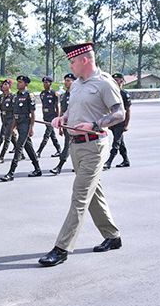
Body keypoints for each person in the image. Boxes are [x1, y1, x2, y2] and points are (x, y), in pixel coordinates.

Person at [38, 42, 124, 267]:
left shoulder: (104, 83)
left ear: (84, 60)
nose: (70, 65)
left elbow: (119, 113)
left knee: (79, 196)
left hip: (94, 147)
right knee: (93, 193)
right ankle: (112, 236)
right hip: (75, 145)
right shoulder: (76, 85)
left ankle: (61, 248)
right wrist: (62, 119)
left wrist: (95, 124)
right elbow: (72, 109)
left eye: (73, 61)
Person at [0, 75, 42, 182]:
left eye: (20, 82)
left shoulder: (29, 95)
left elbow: (33, 113)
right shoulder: (16, 96)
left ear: (26, 84)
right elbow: (15, 113)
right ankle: (37, 168)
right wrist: (13, 127)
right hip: (18, 122)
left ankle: (11, 172)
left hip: (25, 123)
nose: (18, 84)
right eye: (18, 82)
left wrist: (31, 128)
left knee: (19, 147)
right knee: (28, 146)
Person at [103, 73, 132, 169]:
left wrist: (126, 124)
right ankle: (126, 160)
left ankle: (109, 161)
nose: (115, 81)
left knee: (116, 142)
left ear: (122, 81)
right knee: (120, 142)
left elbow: (128, 110)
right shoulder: (111, 93)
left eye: (117, 79)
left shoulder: (124, 94)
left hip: (121, 122)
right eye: (114, 79)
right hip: (113, 122)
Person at [51, 73, 75, 175]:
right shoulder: (64, 95)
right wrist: (60, 125)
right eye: (65, 80)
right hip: (65, 124)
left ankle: (59, 166)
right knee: (72, 145)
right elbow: (62, 110)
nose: (66, 82)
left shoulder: (76, 94)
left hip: (74, 124)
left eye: (68, 80)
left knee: (68, 145)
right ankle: (78, 165)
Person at [0, 79, 19, 164]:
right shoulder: (1, 96)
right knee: (12, 138)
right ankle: (20, 153)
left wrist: (15, 126)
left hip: (11, 118)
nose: (2, 86)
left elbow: (16, 111)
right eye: (2, 84)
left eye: (5, 84)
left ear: (9, 86)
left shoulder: (13, 96)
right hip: (4, 119)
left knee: (7, 138)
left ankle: (1, 157)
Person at [37, 76, 62, 158]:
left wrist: (58, 118)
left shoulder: (54, 94)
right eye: (44, 82)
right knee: (52, 135)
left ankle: (39, 151)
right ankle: (59, 150)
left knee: (47, 135)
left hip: (52, 117)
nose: (45, 84)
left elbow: (57, 107)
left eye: (46, 82)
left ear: (50, 83)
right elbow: (43, 106)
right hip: (46, 116)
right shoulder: (42, 94)